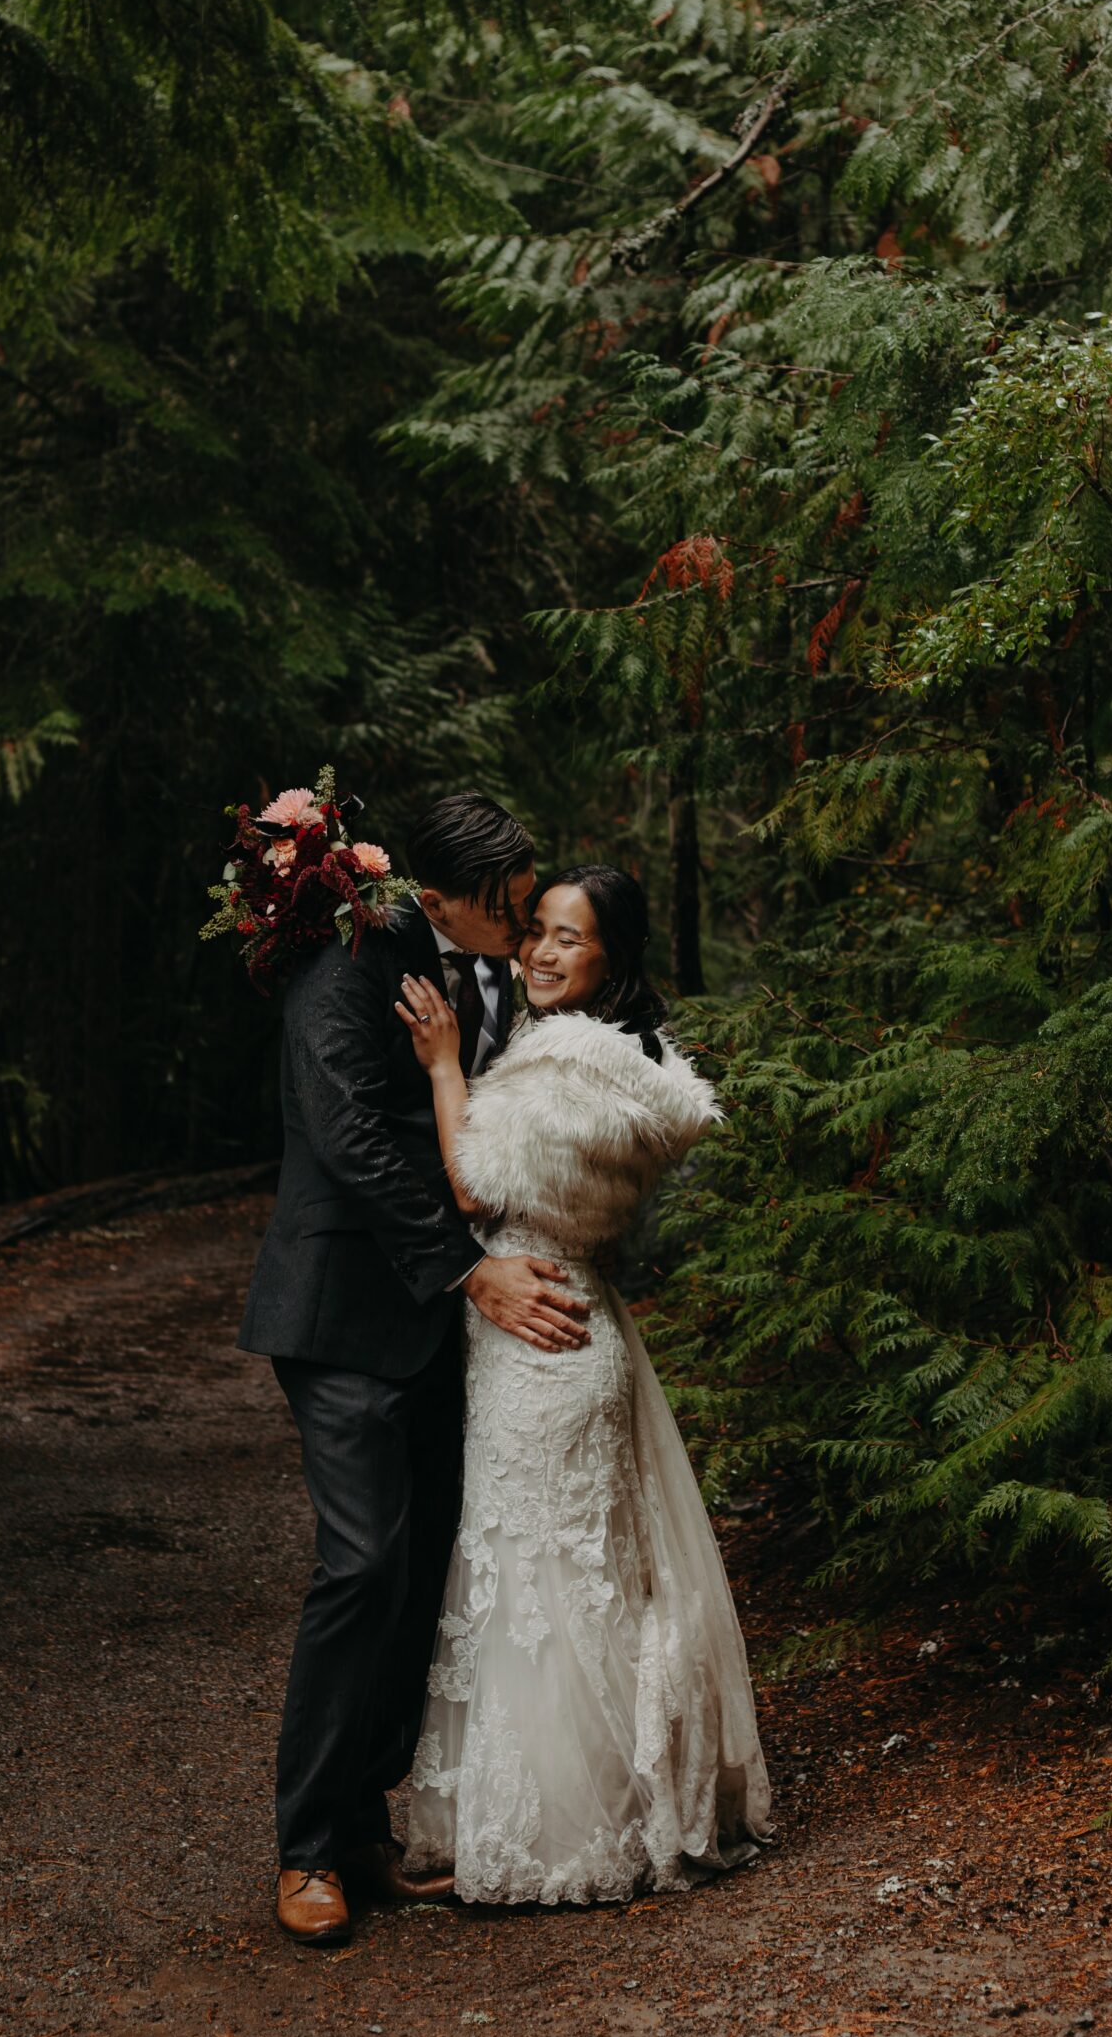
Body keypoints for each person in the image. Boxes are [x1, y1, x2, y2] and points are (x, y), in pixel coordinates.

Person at [238, 792, 591, 1946]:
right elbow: (348, 1139)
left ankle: (364, 1826)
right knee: (362, 1562)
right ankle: (304, 1850)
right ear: (436, 900)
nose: (526, 916)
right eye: (505, 903)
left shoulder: (487, 963)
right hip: (342, 1312)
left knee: (430, 1558)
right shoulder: (345, 967)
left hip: (442, 1327)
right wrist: (468, 1271)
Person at [396, 864, 771, 1904]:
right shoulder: (623, 1062)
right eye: (538, 934)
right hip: (574, 1317)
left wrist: (439, 1065)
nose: (544, 952)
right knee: (561, 1573)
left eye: (571, 937)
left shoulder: (571, 1060)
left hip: (543, 1335)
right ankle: (553, 1812)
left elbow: (475, 1183)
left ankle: (564, 1831)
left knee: (539, 1575)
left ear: (613, 956)